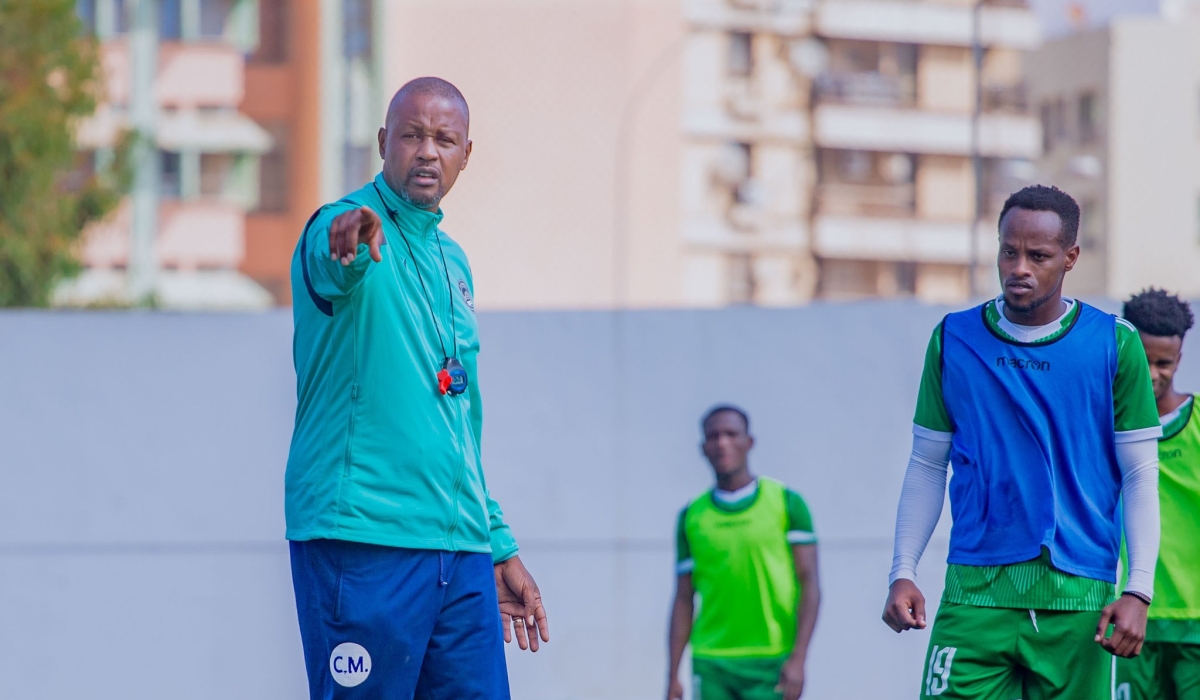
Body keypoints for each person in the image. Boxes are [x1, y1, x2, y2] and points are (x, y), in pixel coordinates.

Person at [285, 77, 548, 699]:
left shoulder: (453, 261)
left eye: (444, 138)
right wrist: (346, 242)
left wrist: (497, 543)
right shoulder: (343, 225)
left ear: (466, 153)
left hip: (458, 550)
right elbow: (332, 261)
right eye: (411, 135)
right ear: (383, 142)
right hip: (364, 536)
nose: (428, 151)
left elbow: (459, 421)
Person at [881, 185, 1162, 699]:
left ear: (1070, 257)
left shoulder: (1114, 344)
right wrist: (903, 570)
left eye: (1038, 255)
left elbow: (1141, 474)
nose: (1019, 268)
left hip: (1079, 601)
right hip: (974, 593)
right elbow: (926, 463)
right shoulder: (954, 339)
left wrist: (1138, 589)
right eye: (1009, 251)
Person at [667, 405, 820, 700]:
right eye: (714, 436)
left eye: (731, 434)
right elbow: (683, 599)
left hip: (772, 659)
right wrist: (673, 674)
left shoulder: (787, 503)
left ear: (748, 442)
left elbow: (810, 583)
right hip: (712, 661)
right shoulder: (691, 516)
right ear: (703, 447)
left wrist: (799, 658)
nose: (722, 442)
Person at [1118, 289, 1199, 699]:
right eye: (1142, 359)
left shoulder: (1197, 422)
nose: (1151, 373)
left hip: (1195, 622)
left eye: (1163, 362)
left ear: (1179, 360)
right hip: (1127, 618)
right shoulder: (1101, 427)